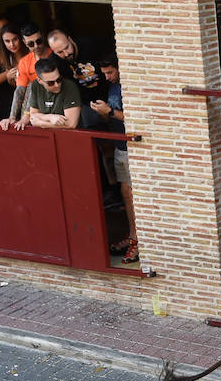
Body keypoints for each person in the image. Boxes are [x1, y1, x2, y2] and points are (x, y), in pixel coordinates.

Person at [91, 57, 137, 263]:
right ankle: (133, 235)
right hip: (119, 146)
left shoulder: (129, 86)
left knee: (131, 193)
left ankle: (137, 240)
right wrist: (103, 113)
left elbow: (137, 118)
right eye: (104, 73)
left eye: (110, 72)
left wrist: (110, 111)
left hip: (131, 147)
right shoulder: (112, 86)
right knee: (125, 193)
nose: (107, 77)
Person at [48, 30, 108, 126]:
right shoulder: (53, 62)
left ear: (70, 40)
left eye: (66, 48)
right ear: (53, 51)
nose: (66, 54)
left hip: (107, 90)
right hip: (85, 102)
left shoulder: (90, 44)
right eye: (60, 52)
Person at [6, 23, 52, 126]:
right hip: (32, 106)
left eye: (39, 41)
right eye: (31, 44)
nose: (36, 46)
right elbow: (19, 91)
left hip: (52, 102)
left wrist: (27, 115)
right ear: (24, 42)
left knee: (34, 84)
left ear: (43, 37)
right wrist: (12, 117)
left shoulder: (54, 55)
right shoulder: (24, 62)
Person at [23, 57, 81, 130]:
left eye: (59, 79)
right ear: (39, 80)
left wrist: (41, 123)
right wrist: (50, 117)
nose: (57, 85)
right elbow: (33, 116)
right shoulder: (35, 85)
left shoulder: (69, 86)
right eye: (51, 83)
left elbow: (71, 124)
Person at [0, 25, 26, 119]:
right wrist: (7, 75)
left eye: (15, 39)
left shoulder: (29, 53)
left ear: (21, 38)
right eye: (7, 41)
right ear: (2, 42)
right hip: (7, 101)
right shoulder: (0, 54)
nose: (12, 44)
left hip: (28, 101)